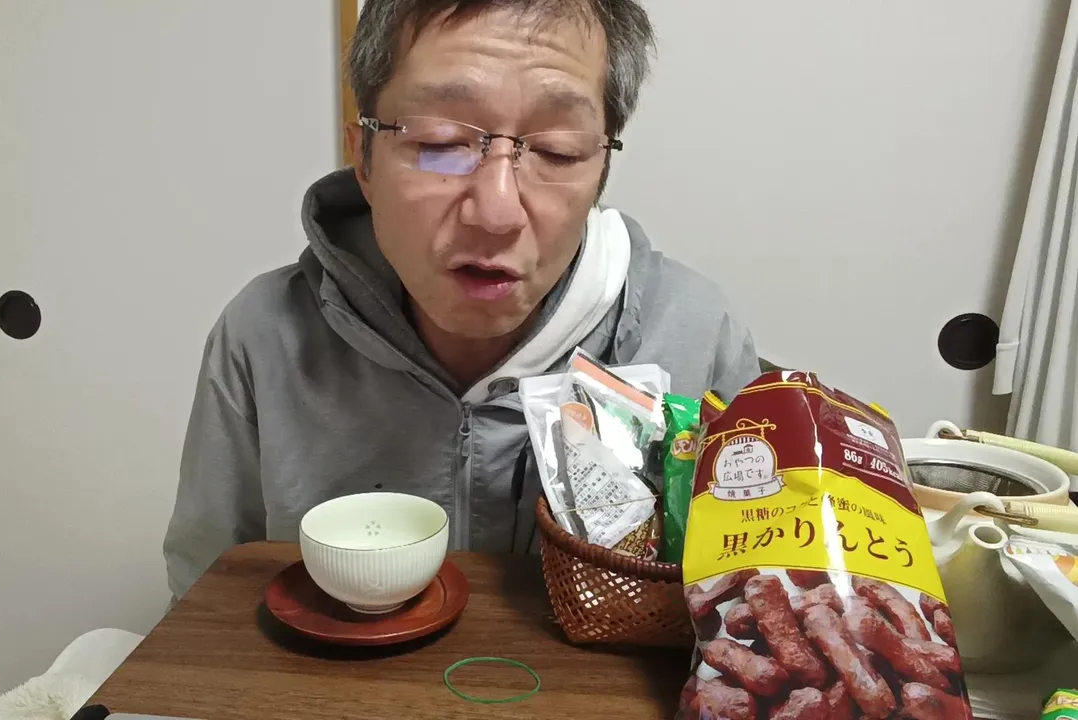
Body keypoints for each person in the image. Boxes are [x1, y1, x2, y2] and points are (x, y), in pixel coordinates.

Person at [163, 0, 759, 600]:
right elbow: (208, 599)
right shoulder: (266, 336)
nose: (496, 212)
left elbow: (748, 601)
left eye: (557, 150)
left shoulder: (691, 333)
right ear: (363, 161)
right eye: (441, 140)